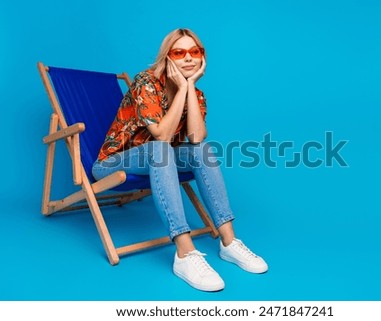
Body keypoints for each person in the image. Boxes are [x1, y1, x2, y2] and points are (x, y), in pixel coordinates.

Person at [92, 28, 268, 291]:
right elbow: (161, 135)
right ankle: (184, 254)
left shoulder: (196, 94)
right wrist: (184, 87)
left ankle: (229, 243)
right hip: (113, 163)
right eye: (179, 52)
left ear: (202, 57)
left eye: (194, 52)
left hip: (158, 159)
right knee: (160, 148)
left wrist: (188, 87)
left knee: (202, 149)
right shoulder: (146, 82)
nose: (188, 58)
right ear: (167, 58)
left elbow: (196, 137)